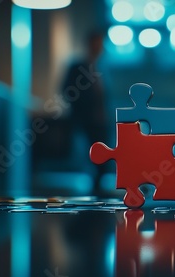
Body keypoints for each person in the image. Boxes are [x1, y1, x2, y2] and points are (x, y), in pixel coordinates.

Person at [61, 30, 107, 195]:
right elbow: (66, 90)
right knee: (85, 154)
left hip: (100, 121)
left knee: (101, 157)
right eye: (96, 43)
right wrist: (81, 109)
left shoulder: (102, 69)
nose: (99, 47)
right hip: (84, 120)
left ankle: (97, 187)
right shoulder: (77, 66)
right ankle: (91, 189)